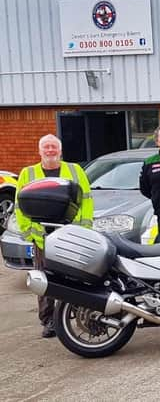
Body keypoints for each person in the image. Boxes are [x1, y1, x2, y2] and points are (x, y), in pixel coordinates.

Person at [15, 134, 93, 338]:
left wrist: (82, 229)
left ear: (60, 150)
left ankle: (75, 315)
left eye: (54, 147)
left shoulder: (75, 170)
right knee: (45, 280)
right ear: (39, 151)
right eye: (46, 147)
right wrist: (31, 233)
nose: (50, 151)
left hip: (70, 236)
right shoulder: (27, 173)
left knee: (75, 278)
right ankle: (49, 320)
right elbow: (19, 206)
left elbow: (86, 200)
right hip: (43, 238)